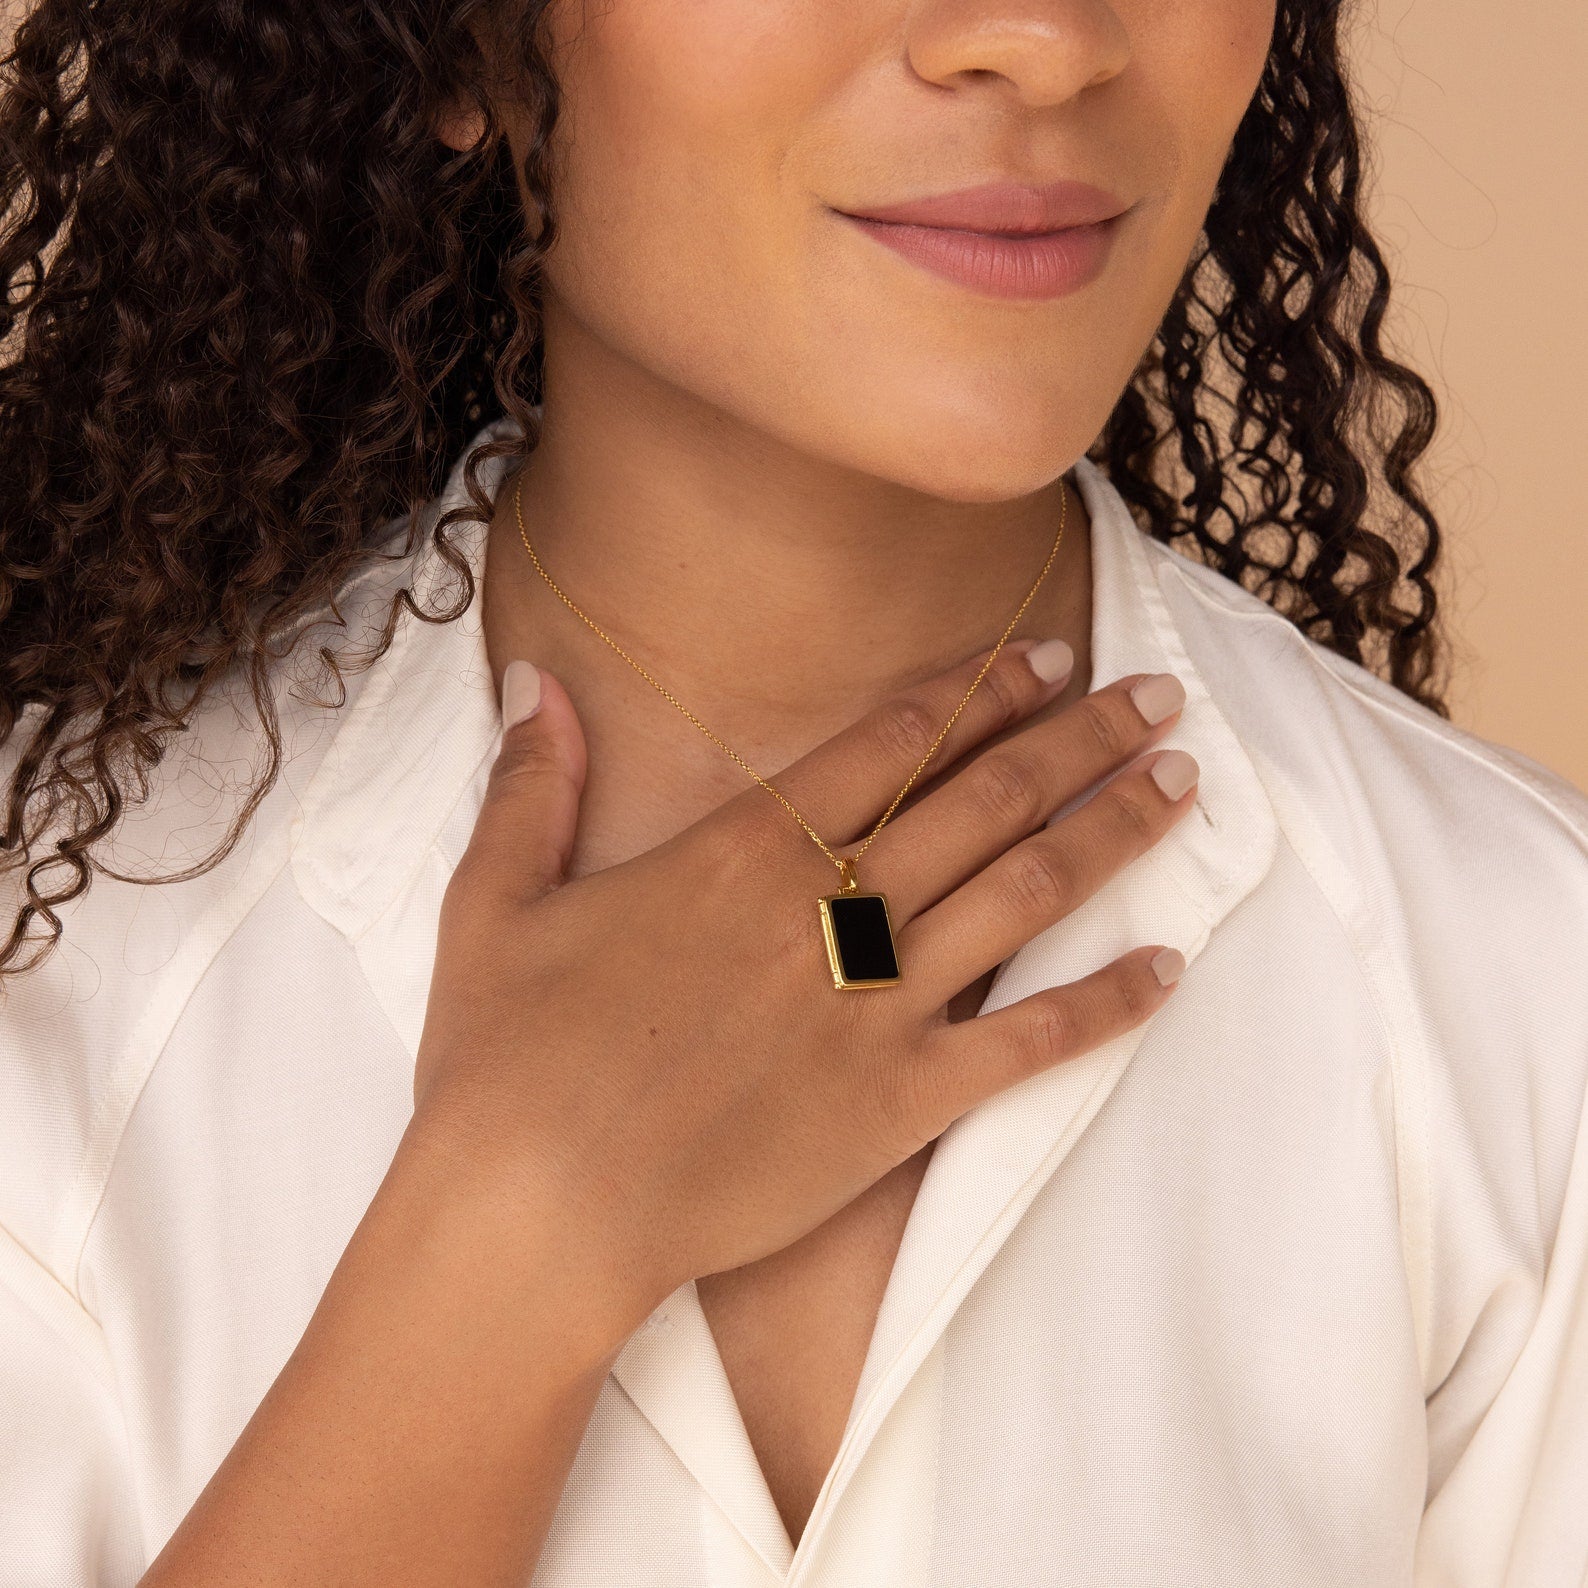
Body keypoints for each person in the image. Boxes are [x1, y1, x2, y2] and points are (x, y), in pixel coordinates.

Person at [1, 0, 1584, 1582]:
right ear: (462, 41)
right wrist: (517, 1239)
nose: (1045, 39)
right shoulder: (50, 974)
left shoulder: (1529, 989)